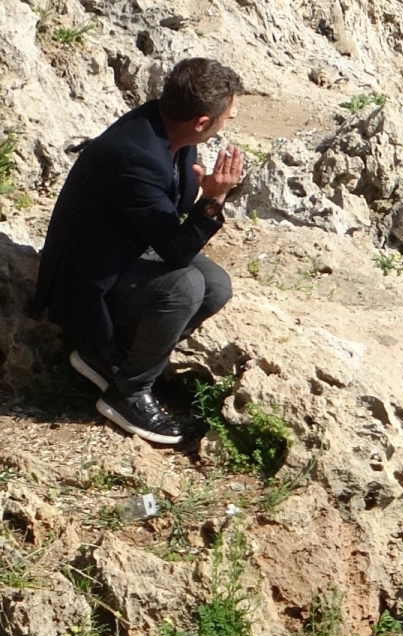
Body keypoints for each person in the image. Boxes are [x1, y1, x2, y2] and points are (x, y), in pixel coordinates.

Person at [33, 57, 246, 445]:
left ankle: (112, 355)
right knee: (184, 287)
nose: (228, 121)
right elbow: (175, 251)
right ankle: (128, 393)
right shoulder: (136, 155)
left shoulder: (170, 131)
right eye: (226, 116)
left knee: (215, 284)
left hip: (123, 252)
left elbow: (166, 219)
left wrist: (201, 196)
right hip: (86, 281)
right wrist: (213, 199)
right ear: (202, 121)